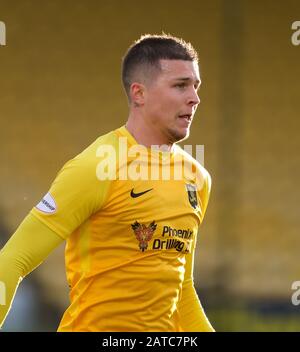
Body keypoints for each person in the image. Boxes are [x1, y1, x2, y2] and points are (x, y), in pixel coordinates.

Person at [0, 33, 214, 332]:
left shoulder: (197, 178)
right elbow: (12, 260)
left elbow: (183, 290)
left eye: (195, 86)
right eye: (180, 85)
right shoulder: (97, 167)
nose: (194, 97)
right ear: (139, 94)